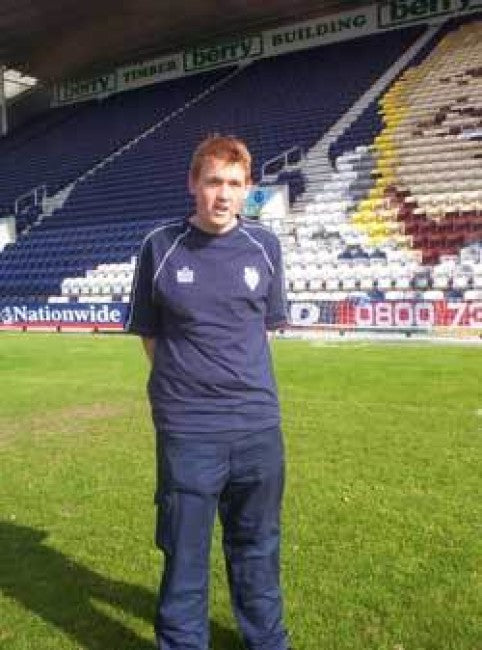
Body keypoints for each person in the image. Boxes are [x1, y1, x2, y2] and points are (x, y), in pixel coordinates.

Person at [126, 134, 290, 650]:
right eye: (213, 181)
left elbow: (260, 328)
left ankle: (268, 643)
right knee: (185, 557)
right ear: (193, 184)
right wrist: (190, 390)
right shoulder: (160, 245)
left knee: (258, 550)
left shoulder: (266, 246)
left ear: (248, 191)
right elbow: (150, 337)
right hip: (189, 432)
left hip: (258, 430)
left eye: (235, 184)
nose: (223, 194)